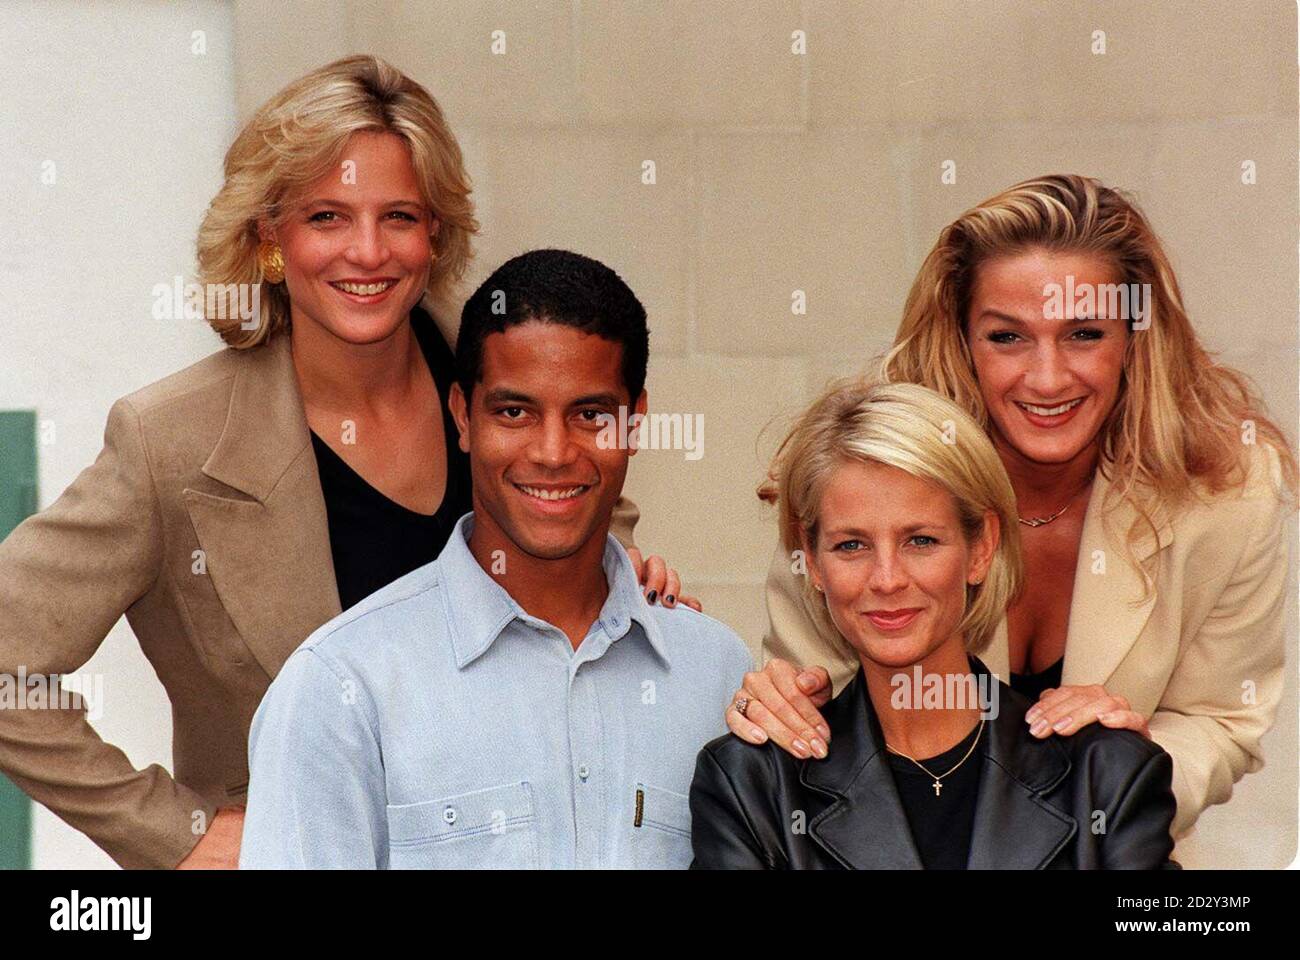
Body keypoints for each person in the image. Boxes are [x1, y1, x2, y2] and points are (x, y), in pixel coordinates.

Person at [0, 56, 688, 870]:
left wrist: (636, 598)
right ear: (268, 235)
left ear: (435, 232)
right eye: (327, 216)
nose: (368, 252)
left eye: (398, 216)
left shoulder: (519, 390)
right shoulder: (169, 442)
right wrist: (175, 832)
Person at [724, 175, 1295, 840]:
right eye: (1007, 337)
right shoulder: (869, 474)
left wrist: (1120, 770)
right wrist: (778, 699)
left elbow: (1221, 720)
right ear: (961, 338)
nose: (1047, 378)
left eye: (1083, 333)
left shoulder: (1227, 490)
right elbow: (818, 709)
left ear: (1137, 339)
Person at [239, 249, 753, 869]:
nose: (553, 452)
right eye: (515, 412)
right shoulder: (341, 687)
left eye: (590, 415)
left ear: (635, 424)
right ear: (462, 415)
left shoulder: (717, 673)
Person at [692, 379, 1179, 869]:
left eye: (921, 541)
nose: (886, 579)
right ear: (812, 563)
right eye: (851, 545)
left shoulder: (1105, 774)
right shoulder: (752, 783)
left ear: (982, 547)